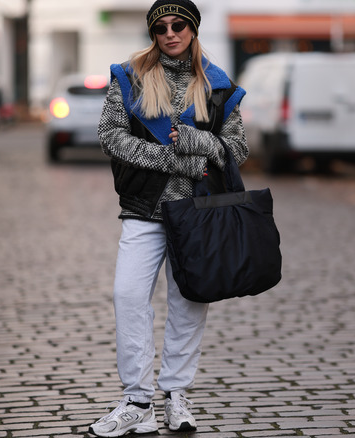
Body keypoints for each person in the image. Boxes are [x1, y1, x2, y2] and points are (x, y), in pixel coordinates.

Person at [90, 0, 248, 436]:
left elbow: (237, 150)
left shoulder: (218, 86)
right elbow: (109, 136)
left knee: (188, 302)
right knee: (128, 295)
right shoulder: (129, 77)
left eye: (179, 25)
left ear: (193, 30)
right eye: (161, 27)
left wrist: (203, 143)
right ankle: (137, 401)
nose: (170, 33)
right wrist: (171, 160)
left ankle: (176, 394)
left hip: (198, 213)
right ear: (153, 33)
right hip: (144, 208)